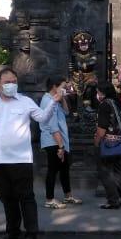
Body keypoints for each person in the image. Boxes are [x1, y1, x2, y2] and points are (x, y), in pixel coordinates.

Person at [0, 67, 64, 239]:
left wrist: (54, 102)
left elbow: (42, 117)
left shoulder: (25, 101)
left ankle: (31, 234)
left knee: (26, 197)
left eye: (14, 82)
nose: (11, 85)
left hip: (20, 159)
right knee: (6, 197)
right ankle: (13, 231)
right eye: (7, 82)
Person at [39, 75, 82, 209]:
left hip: (60, 139)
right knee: (53, 169)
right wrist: (60, 146)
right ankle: (49, 199)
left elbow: (66, 112)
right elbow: (53, 127)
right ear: (54, 87)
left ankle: (68, 196)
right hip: (53, 141)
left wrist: (62, 98)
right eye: (63, 87)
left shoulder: (55, 99)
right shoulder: (48, 101)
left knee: (64, 169)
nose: (65, 89)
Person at [94, 81, 121, 210]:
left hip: (107, 143)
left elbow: (101, 129)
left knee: (105, 171)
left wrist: (97, 142)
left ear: (103, 93)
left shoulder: (104, 105)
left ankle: (113, 200)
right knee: (117, 170)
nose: (97, 94)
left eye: (98, 92)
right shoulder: (117, 103)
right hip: (119, 142)